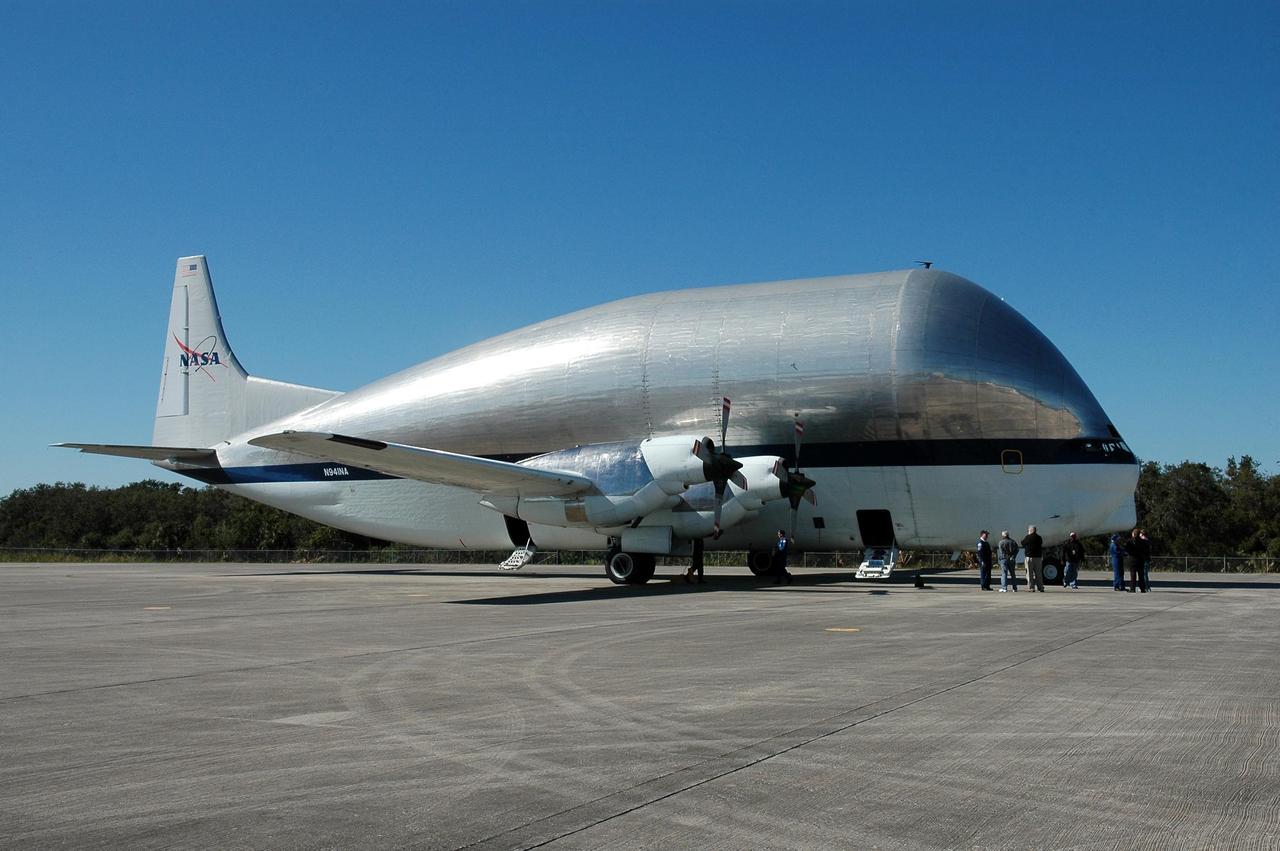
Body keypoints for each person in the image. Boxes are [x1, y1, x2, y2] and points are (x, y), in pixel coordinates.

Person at [1021, 525, 1045, 592]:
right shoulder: (1039, 537)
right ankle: (1041, 587)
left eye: (1028, 530)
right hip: (1038, 558)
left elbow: (1022, 543)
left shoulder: (1028, 537)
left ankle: (1031, 587)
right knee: (1038, 574)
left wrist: (1028, 535)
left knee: (1029, 573)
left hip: (1030, 557)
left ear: (1031, 530)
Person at [1126, 528, 1148, 592]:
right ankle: (1142, 588)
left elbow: (1127, 550)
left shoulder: (1130, 541)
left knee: (1133, 575)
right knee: (1141, 575)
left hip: (1133, 559)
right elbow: (1145, 550)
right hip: (1140, 559)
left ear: (1133, 534)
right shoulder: (1143, 542)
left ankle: (1132, 588)